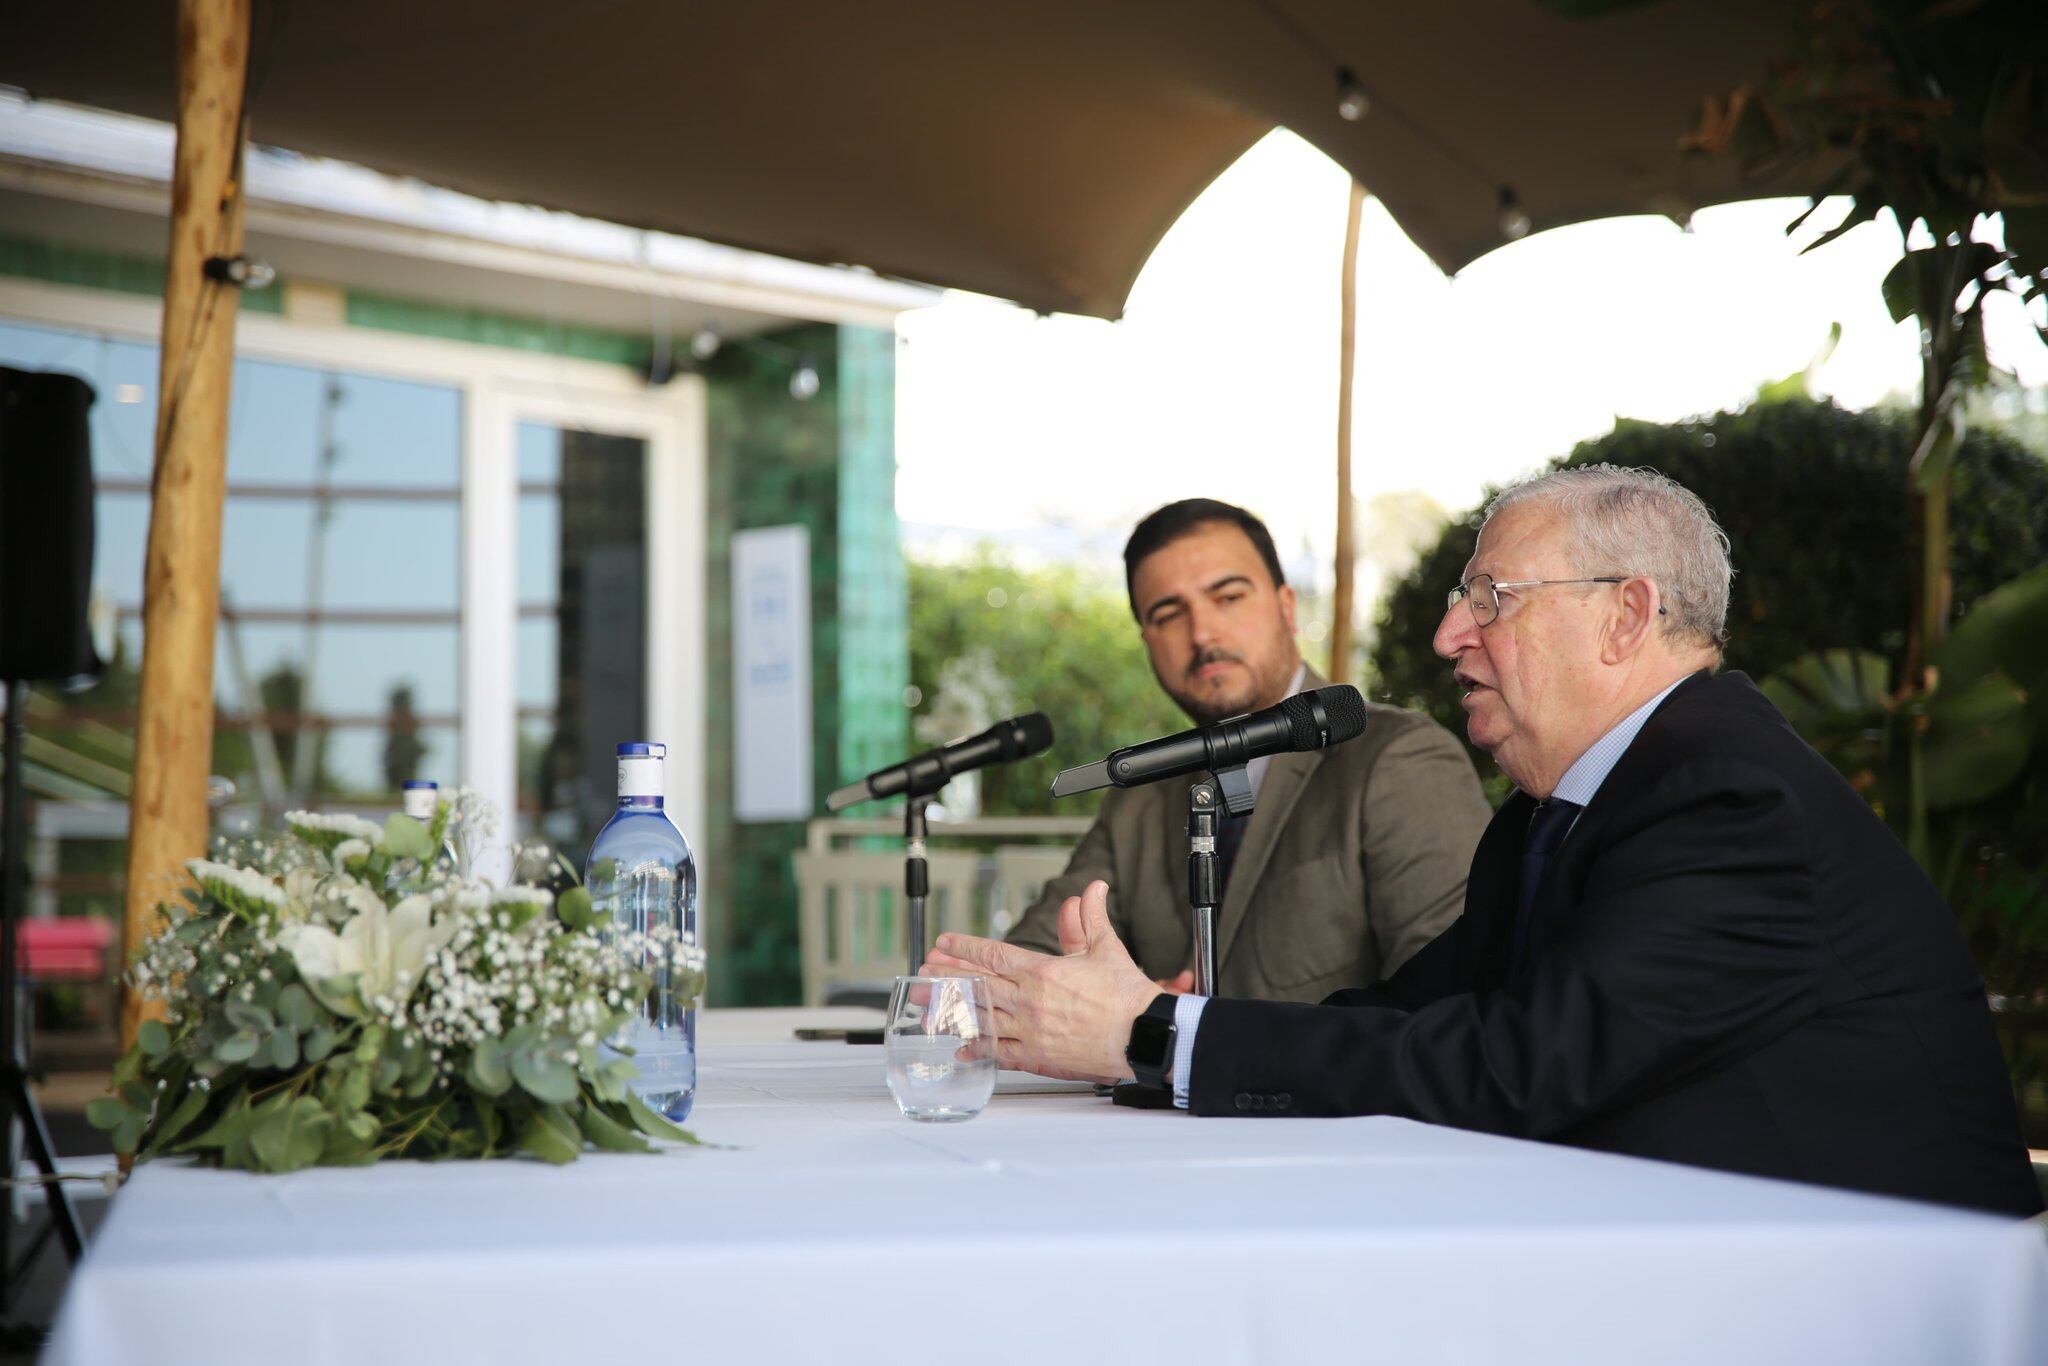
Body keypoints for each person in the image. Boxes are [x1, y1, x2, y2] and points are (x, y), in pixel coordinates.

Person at [930, 467, 2043, 1216]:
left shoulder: (1726, 800)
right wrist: (1155, 1040)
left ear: (1625, 615)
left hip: (1868, 1290)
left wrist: (1155, 1033)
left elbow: (1517, 1067)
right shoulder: (1561, 808)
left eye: (1490, 598)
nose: (1446, 633)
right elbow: (1410, 1016)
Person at [1004, 498, 1489, 1003]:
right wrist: (1121, 1009)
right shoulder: (1140, 795)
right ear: (1147, 641)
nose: (1202, 634)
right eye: (1168, 614)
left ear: (1287, 606)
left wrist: (1181, 1030)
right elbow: (1029, 959)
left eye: (1229, 597)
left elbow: (1449, 1007)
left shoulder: (1399, 759)